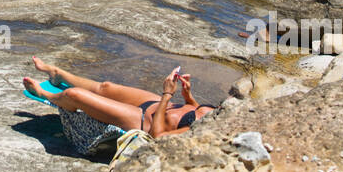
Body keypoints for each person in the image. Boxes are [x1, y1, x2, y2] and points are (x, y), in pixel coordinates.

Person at [22, 57, 213, 138]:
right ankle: (59, 74)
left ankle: (44, 93)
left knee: (75, 95)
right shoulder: (225, 113)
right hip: (159, 104)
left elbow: (159, 137)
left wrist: (167, 94)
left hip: (141, 121)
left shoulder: (213, 134)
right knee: (106, 87)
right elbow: (198, 113)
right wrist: (189, 98)